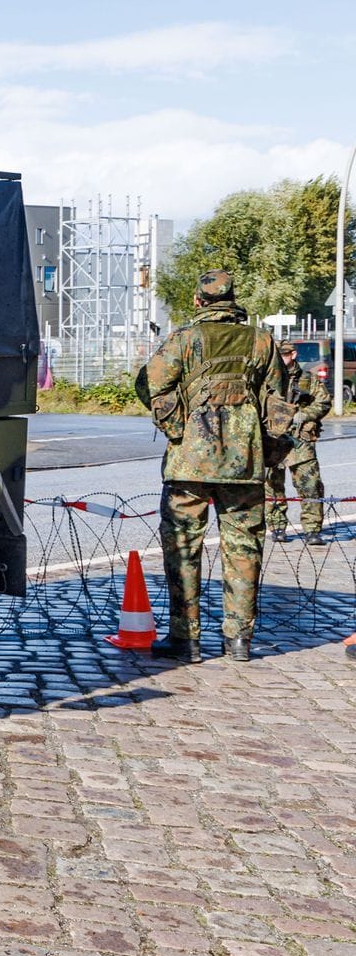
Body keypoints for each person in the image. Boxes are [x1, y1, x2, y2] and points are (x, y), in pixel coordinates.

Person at [136, 269, 284, 663]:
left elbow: (148, 384)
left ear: (199, 302)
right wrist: (266, 450)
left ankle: (185, 639)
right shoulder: (261, 342)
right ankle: (239, 640)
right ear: (234, 300)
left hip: (189, 463)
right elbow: (279, 402)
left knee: (183, 549)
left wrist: (174, 426)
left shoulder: (185, 340)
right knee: (244, 548)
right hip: (245, 465)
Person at [266, 342, 331, 545]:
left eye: (283, 355)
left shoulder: (307, 380)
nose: (280, 359)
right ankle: (277, 527)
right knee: (272, 485)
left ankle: (312, 530)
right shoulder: (267, 380)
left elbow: (323, 402)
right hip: (273, 437)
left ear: (293, 354)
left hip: (300, 439)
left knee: (309, 485)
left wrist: (303, 415)